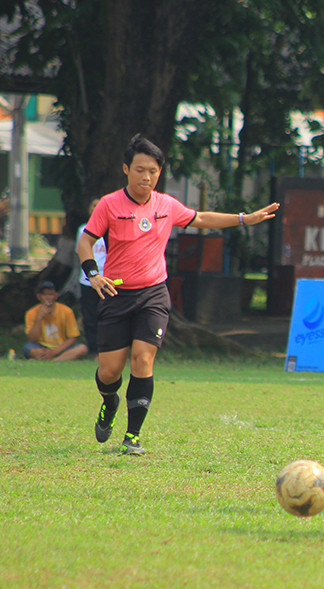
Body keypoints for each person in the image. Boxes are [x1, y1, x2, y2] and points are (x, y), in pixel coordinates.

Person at [78, 134, 279, 456]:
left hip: (153, 294)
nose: (146, 177)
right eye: (140, 169)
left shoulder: (166, 205)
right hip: (116, 295)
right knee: (110, 371)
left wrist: (244, 218)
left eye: (153, 171)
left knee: (143, 359)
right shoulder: (109, 205)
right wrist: (93, 274)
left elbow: (200, 219)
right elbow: (85, 242)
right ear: (126, 169)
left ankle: (132, 436)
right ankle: (109, 400)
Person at [23, 280, 89, 361]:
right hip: (41, 347)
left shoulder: (66, 311)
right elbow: (32, 339)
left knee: (82, 348)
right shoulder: (31, 313)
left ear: (56, 296)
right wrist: (39, 318)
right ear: (39, 296)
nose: (47, 297)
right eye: (44, 294)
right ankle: (55, 358)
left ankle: (54, 360)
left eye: (50, 294)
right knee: (28, 348)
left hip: (61, 347)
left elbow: (73, 337)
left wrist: (54, 352)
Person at [75, 198, 105, 355]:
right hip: (87, 280)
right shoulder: (83, 230)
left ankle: (106, 349)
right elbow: (79, 252)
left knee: (107, 315)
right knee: (90, 316)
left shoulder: (110, 229)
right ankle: (93, 349)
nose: (96, 208)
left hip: (107, 279)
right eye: (93, 205)